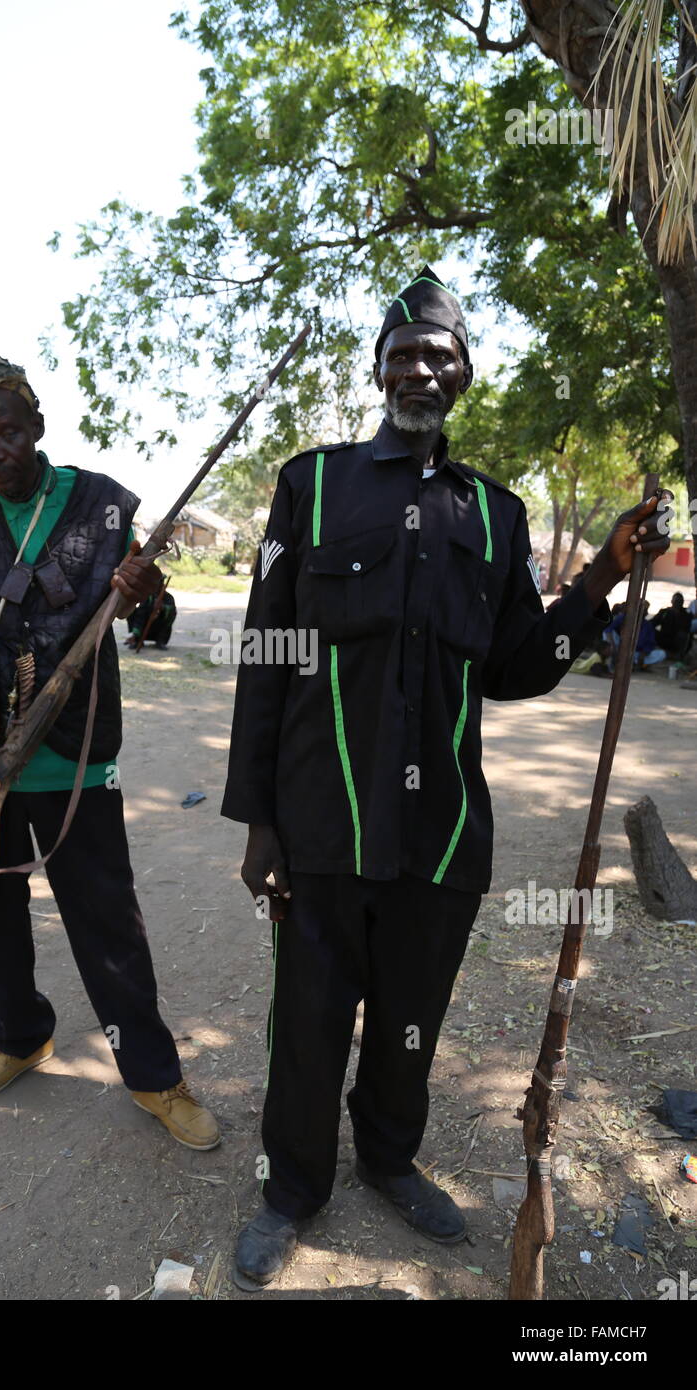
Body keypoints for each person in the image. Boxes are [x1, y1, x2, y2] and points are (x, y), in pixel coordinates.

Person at [220, 267, 671, 1289]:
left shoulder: (493, 515)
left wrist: (599, 575)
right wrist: (256, 821)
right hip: (320, 815)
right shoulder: (312, 484)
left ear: (462, 374)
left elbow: (514, 667)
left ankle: (386, 1154)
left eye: (439, 354)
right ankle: (291, 1187)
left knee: (412, 1012)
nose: (419, 367)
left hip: (443, 826)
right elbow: (267, 652)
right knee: (308, 1014)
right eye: (402, 352)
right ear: (378, 368)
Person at [0, 357, 219, 1151]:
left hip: (76, 759)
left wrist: (143, 592)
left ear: (37, 426)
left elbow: (146, 611)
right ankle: (20, 1037)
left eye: (8, 431)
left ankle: (153, 1076)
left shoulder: (102, 505)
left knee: (107, 922)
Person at [125, 585, 177, 650]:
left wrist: (163, 608)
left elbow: (172, 612)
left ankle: (160, 641)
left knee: (171, 614)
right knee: (131, 612)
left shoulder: (169, 597)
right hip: (144, 626)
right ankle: (137, 640)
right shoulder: (147, 597)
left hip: (159, 627)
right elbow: (140, 614)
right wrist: (135, 633)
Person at [652, 591, 692, 660]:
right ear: (672, 601)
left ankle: (679, 655)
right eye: (676, 600)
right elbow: (653, 623)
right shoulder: (664, 611)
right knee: (650, 630)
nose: (678, 603)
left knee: (683, 635)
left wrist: (677, 615)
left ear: (683, 602)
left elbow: (686, 628)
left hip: (677, 639)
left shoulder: (686, 613)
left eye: (680, 601)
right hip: (664, 637)